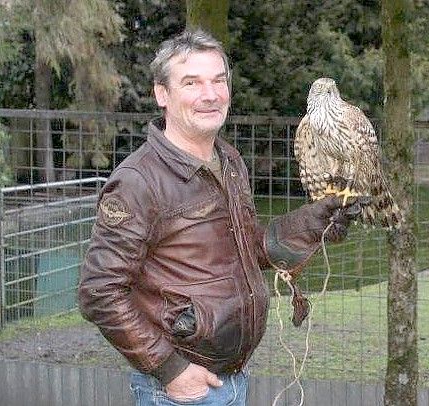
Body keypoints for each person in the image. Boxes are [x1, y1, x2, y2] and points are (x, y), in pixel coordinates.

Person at [78, 29, 361, 406]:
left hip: (231, 378)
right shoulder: (139, 181)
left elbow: (246, 247)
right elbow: (100, 291)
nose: (210, 95)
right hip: (181, 392)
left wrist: (314, 221)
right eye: (191, 83)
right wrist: (170, 370)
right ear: (162, 94)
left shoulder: (228, 160)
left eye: (218, 81)